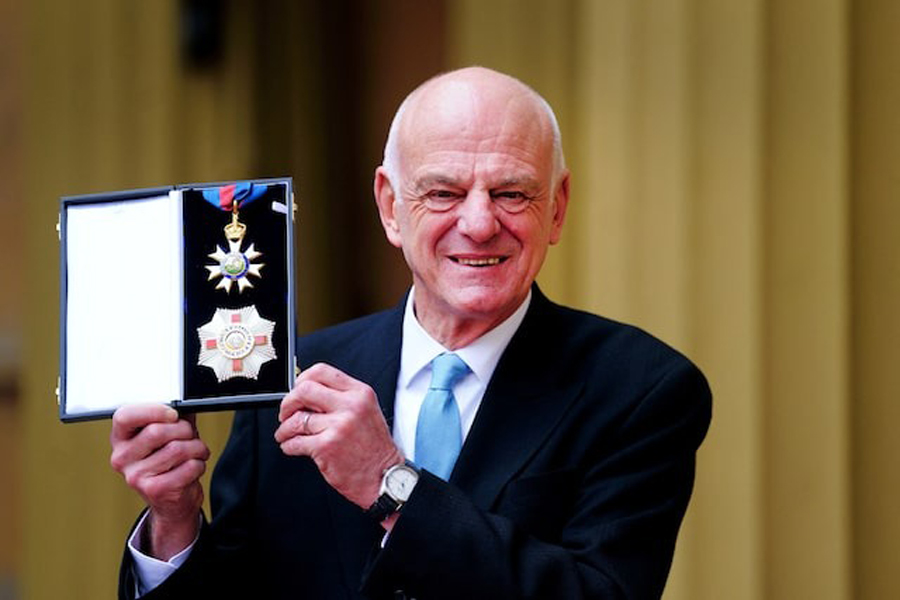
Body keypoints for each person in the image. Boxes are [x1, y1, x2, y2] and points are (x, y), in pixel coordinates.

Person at [110, 66, 711, 600]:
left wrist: (390, 483)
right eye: (444, 192)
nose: (479, 224)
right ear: (391, 207)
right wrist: (174, 523)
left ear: (556, 208)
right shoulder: (291, 374)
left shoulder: (641, 388)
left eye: (511, 193)